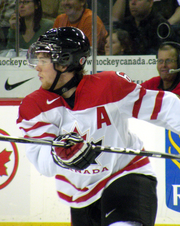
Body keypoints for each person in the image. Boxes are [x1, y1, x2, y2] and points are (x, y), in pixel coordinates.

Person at [17, 27, 180, 226]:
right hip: (80, 195)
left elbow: (166, 108)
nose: (37, 67)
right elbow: (44, 164)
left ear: (65, 62)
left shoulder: (109, 86)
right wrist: (60, 154)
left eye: (43, 60)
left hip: (126, 173)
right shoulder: (33, 106)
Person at [112, 0, 180, 25]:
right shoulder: (132, 3)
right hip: (133, 28)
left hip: (162, 26)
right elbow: (114, 20)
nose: (132, 2)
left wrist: (167, 25)